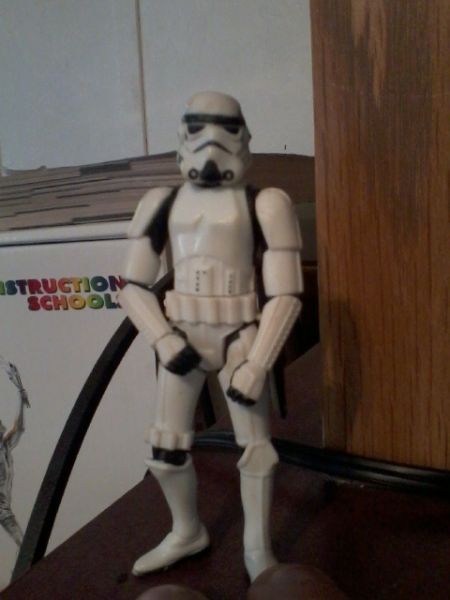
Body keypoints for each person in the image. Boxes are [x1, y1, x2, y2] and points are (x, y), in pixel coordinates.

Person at [119, 92, 303, 581]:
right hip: (182, 335)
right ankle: (187, 531)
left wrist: (259, 362)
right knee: (165, 450)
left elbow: (286, 295)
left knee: (257, 449)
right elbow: (132, 287)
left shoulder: (266, 204)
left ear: (244, 137)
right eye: (198, 129)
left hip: (240, 335)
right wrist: (162, 339)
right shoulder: (160, 203)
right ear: (182, 138)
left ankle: (257, 548)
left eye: (225, 129)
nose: (211, 143)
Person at [0, 358, 29, 547]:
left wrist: (21, 399)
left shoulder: (5, 448)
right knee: (24, 544)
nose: (3, 427)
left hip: (4, 510)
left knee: (24, 544)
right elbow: (15, 429)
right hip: (3, 510)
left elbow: (19, 428)